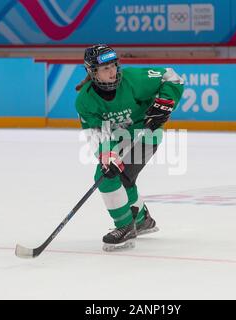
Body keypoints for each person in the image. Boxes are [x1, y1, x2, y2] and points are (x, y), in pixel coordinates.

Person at [75, 44, 184, 251]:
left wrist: (165, 102)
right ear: (92, 72)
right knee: (112, 175)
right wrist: (108, 156)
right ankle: (142, 220)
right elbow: (98, 133)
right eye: (105, 68)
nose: (112, 72)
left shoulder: (135, 79)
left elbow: (172, 77)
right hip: (117, 139)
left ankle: (125, 226)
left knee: (112, 180)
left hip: (146, 134)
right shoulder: (85, 101)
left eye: (114, 66)